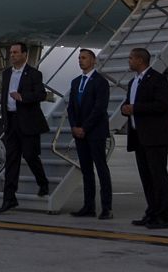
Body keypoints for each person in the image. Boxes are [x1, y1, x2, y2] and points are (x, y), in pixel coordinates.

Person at [120, 47, 168, 230]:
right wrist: (125, 108)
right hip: (139, 137)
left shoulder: (157, 79)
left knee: (158, 177)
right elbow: (129, 103)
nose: (129, 61)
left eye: (131, 58)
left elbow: (162, 105)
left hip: (156, 137)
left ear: (140, 60)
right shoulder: (133, 82)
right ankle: (152, 212)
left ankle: (163, 216)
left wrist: (135, 108)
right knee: (146, 177)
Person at [0, 42, 50, 213]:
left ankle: (43, 183)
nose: (12, 55)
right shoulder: (6, 74)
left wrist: (22, 97)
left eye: (16, 52)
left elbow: (41, 94)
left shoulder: (34, 74)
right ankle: (9, 198)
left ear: (24, 54)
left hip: (28, 121)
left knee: (30, 155)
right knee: (11, 160)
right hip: (11, 121)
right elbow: (3, 98)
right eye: (11, 52)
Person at [66, 49, 113, 219]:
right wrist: (74, 127)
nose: (81, 61)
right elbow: (70, 107)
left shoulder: (100, 82)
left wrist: (84, 127)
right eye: (79, 58)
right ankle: (89, 206)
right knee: (86, 171)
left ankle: (107, 207)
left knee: (101, 169)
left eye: (84, 58)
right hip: (79, 133)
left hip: (95, 132)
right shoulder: (75, 82)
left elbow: (99, 109)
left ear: (93, 61)